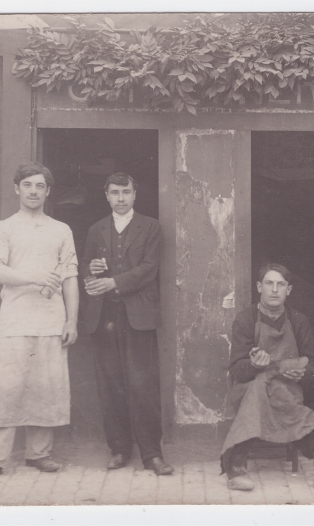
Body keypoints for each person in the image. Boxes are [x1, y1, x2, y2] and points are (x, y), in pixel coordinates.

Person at [0, 162, 79, 483]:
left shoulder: (61, 230)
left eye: (40, 186)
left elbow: (70, 278)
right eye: (28, 185)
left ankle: (39, 454)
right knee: (6, 387)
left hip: (51, 319)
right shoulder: (2, 228)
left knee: (46, 386)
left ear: (48, 191)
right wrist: (34, 277)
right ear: (17, 189)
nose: (33, 192)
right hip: (16, 319)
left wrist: (71, 320)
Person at [80, 173, 173, 475]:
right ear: (106, 195)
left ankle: (152, 453)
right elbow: (86, 268)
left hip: (138, 316)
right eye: (114, 193)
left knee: (142, 385)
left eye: (126, 192)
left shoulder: (151, 227)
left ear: (135, 195)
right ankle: (119, 449)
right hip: (104, 317)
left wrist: (113, 282)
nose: (120, 198)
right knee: (111, 385)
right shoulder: (96, 229)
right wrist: (91, 270)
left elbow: (149, 269)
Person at [222, 263, 314, 491]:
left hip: (287, 387)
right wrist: (254, 365)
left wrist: (303, 373)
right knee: (258, 387)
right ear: (259, 287)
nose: (274, 290)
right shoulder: (245, 319)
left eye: (281, 285)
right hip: (248, 388)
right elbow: (237, 370)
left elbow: (313, 364)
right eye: (269, 283)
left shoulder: (298, 321)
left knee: (275, 391)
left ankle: (236, 464)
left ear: (289, 290)